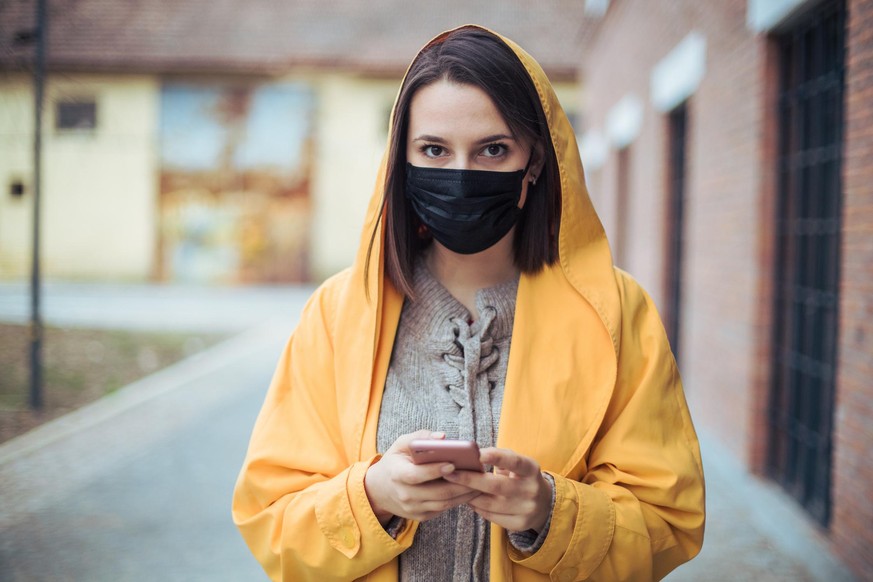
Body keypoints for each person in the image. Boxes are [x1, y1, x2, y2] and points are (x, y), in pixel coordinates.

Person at [232, 25, 705, 582]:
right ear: (401, 163)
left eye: (493, 149)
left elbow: (669, 521)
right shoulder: (336, 315)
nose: (461, 175)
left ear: (534, 161)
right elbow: (270, 520)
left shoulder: (618, 313)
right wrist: (371, 497)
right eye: (434, 149)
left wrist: (550, 512)